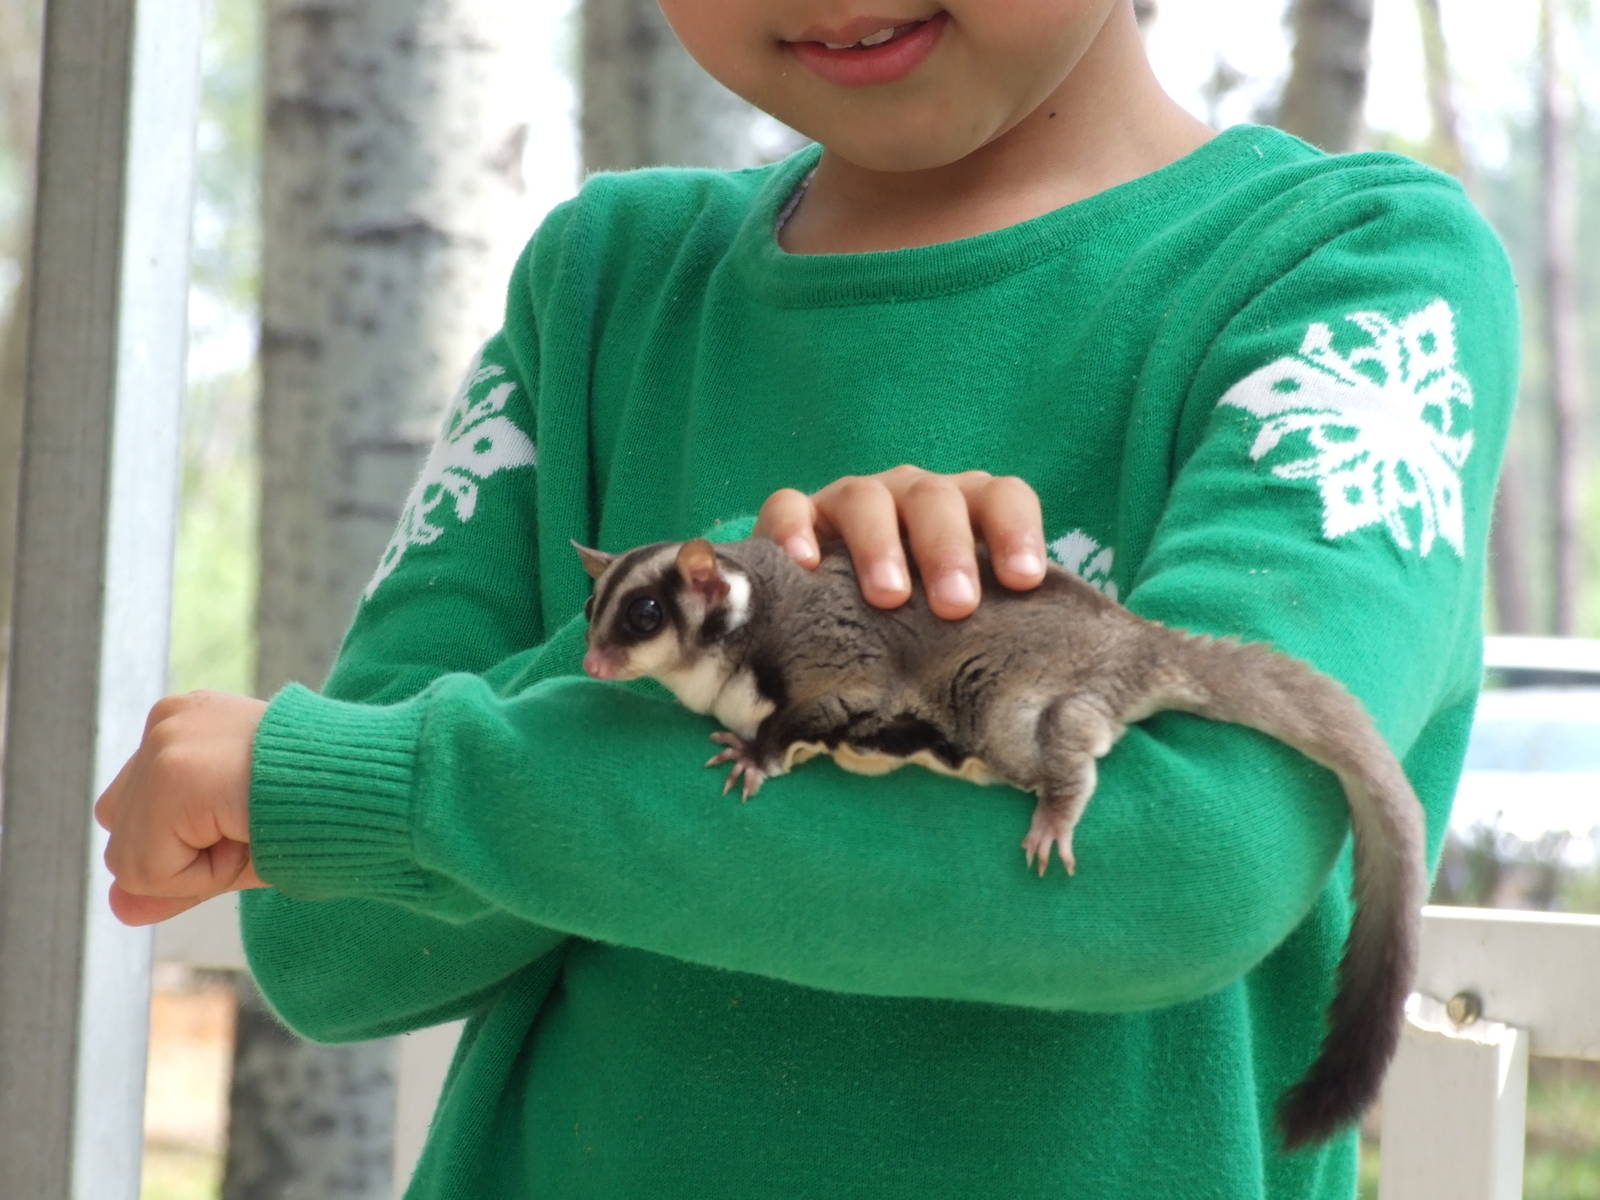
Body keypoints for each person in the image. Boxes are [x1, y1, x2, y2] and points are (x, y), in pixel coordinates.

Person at [98, 2, 1518, 1196]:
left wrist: (710, 641)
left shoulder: (1352, 279)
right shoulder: (600, 294)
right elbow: (331, 932)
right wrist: (730, 593)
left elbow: (1177, 868)